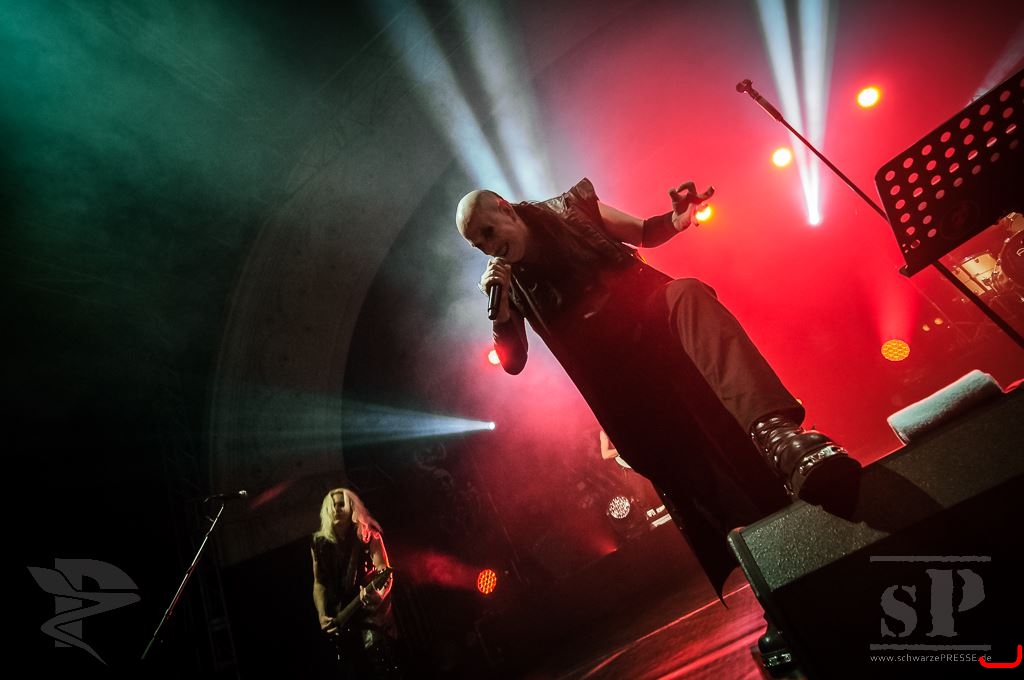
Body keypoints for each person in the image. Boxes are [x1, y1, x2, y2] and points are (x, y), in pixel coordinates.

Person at [455, 178, 862, 596]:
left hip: (654, 319)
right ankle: (786, 589)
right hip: (623, 385)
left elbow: (645, 232)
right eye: (477, 245)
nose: (488, 247)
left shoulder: (570, 206)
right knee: (714, 484)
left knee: (686, 292)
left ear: (505, 209)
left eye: (487, 232)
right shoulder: (507, 284)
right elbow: (513, 362)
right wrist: (499, 315)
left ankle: (781, 437)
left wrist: (678, 219)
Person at [311, 487, 401, 678]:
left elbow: (384, 570)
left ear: (352, 507)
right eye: (332, 505)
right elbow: (319, 583)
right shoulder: (319, 544)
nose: (336, 509)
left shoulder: (369, 535)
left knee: (381, 666)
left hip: (371, 617)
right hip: (342, 620)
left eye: (341, 504)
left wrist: (377, 594)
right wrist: (321, 615)